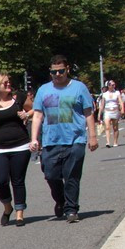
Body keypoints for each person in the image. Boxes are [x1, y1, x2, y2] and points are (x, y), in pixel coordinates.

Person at [28, 55, 98, 222]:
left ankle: (72, 209)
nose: (57, 74)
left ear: (67, 69)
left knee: (72, 175)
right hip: (51, 141)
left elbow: (88, 112)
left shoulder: (79, 88)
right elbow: (37, 115)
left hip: (75, 139)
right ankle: (61, 200)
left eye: (60, 71)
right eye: (54, 71)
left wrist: (93, 136)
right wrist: (34, 139)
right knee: (51, 175)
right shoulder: (43, 90)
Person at [0, 73, 33, 226]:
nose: (8, 84)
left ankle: (20, 212)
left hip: (21, 145)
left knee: (18, 180)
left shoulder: (18, 98)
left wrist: (26, 114)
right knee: (1, 181)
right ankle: (8, 207)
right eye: (4, 83)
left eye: (9, 82)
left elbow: (35, 109)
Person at [98, 80, 123, 147]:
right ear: (108, 86)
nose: (113, 86)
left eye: (114, 85)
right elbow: (102, 105)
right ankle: (108, 142)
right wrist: (99, 113)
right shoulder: (105, 94)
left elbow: (120, 101)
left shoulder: (117, 93)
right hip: (107, 112)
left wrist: (122, 109)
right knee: (107, 127)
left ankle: (115, 142)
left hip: (115, 111)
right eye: (112, 85)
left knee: (115, 128)